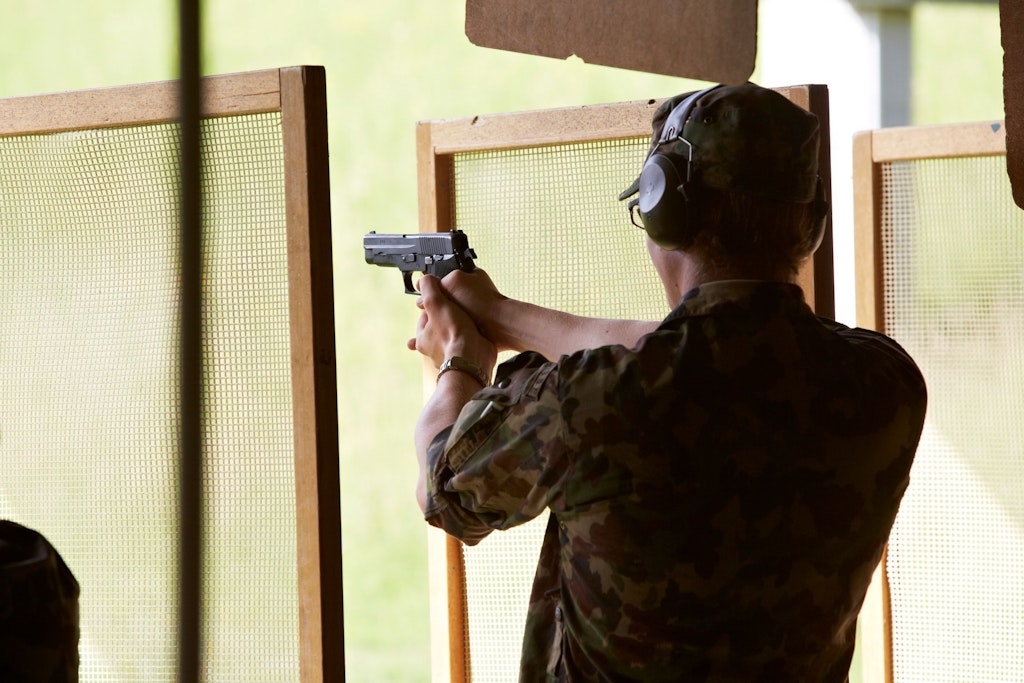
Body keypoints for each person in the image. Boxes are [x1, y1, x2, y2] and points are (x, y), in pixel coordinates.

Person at [408, 82, 927, 682]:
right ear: (810, 223)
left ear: (663, 210)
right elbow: (715, 346)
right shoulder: (885, 383)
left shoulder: (591, 401)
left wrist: (460, 362)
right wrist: (503, 316)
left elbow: (443, 489)